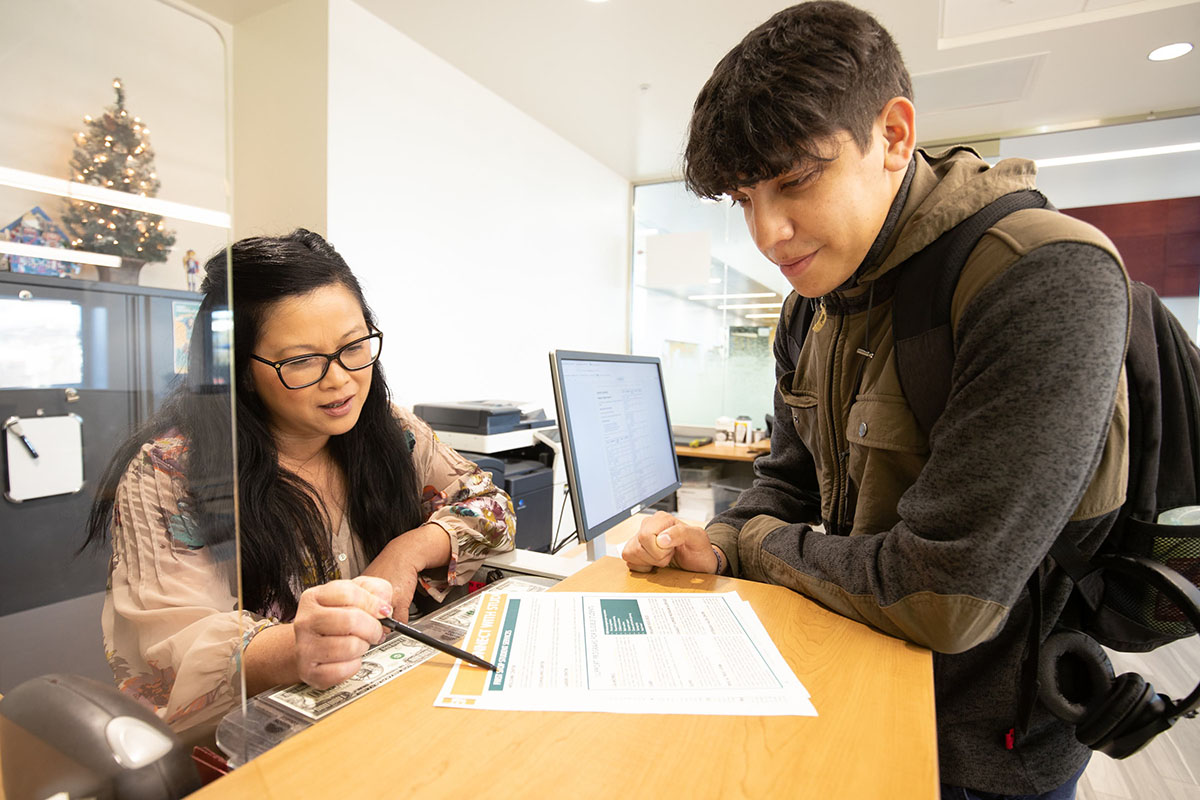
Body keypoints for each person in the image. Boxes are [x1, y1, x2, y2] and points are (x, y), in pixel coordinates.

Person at [621, 3, 1128, 798]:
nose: (767, 232)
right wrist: (712, 543)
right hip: (843, 684)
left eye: (795, 179)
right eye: (743, 199)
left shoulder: (1042, 276)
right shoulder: (810, 308)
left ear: (893, 135)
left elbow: (946, 596)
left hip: (985, 755)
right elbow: (786, 482)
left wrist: (755, 544)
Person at [84, 229, 515, 737]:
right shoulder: (169, 471)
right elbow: (171, 652)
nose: (340, 379)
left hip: (388, 712)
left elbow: (489, 504)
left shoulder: (390, 429)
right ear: (240, 370)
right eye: (301, 360)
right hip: (258, 739)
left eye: (354, 346)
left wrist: (409, 550)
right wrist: (295, 646)